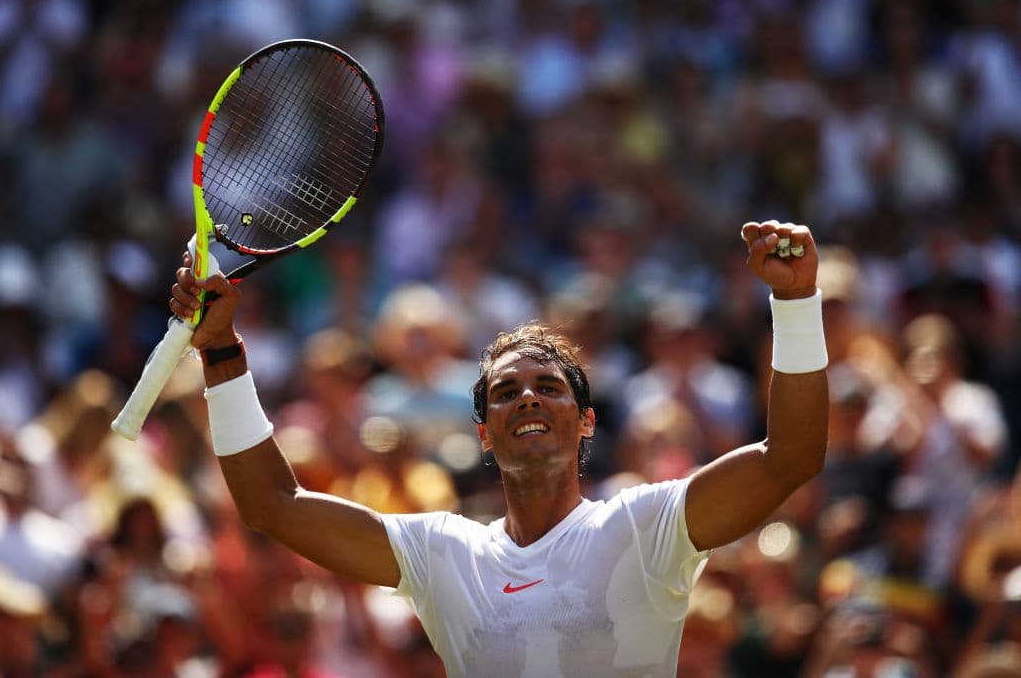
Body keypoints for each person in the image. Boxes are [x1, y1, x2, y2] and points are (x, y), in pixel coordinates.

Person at [166, 220, 829, 677]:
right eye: (507, 392)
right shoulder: (441, 553)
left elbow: (789, 458)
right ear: (483, 432)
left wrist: (795, 303)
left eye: (549, 386)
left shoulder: (647, 525)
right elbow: (271, 505)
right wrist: (222, 352)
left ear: (587, 421)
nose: (529, 398)